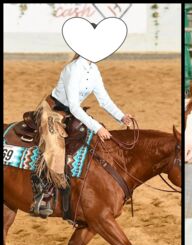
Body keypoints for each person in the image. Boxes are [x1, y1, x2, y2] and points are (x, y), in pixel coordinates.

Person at [31, 41, 134, 218]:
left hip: (72, 113)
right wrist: (97, 127)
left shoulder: (93, 69)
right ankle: (43, 192)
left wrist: (121, 116)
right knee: (55, 147)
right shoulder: (73, 69)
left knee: (94, 144)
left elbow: (104, 100)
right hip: (53, 111)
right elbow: (74, 106)